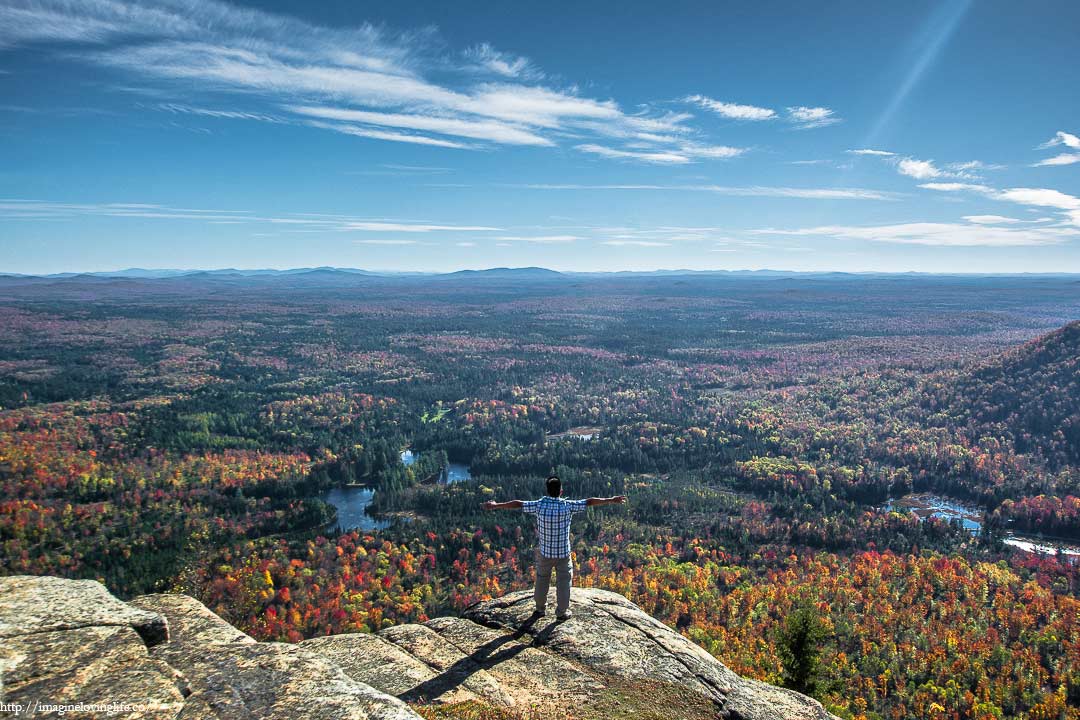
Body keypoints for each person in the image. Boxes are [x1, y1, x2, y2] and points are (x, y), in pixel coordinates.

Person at [482, 475, 626, 621]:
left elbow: (518, 504)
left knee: (541, 579)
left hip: (545, 553)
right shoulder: (567, 506)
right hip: (563, 554)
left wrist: (496, 505)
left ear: (547, 490)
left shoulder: (539, 505)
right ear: (561, 491)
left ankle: (539, 609)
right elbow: (589, 501)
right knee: (563, 582)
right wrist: (611, 500)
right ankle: (561, 613)